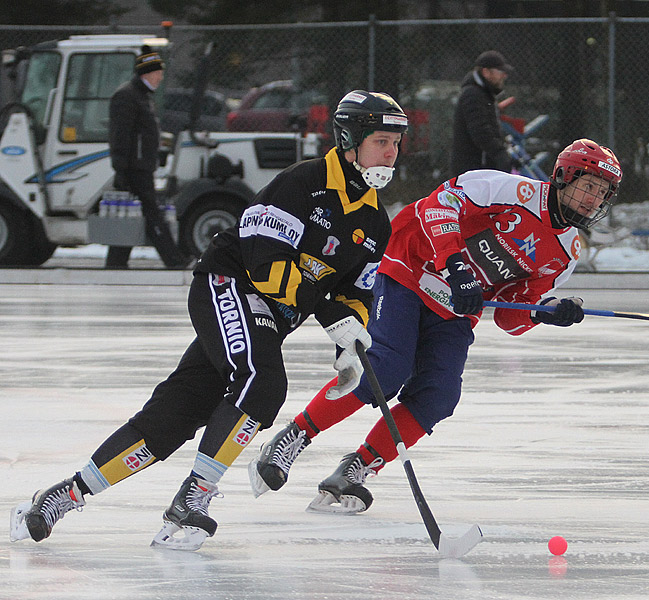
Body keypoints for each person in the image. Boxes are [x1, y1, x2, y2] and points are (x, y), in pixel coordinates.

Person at [10, 90, 409, 550]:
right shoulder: (302, 183)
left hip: (269, 318)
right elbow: (266, 266)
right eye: (382, 141)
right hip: (229, 285)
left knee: (179, 412)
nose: (391, 153)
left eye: (396, 144)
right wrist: (327, 313)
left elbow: (355, 293)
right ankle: (192, 501)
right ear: (350, 139)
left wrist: (349, 343)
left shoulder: (376, 222)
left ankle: (64, 494)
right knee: (261, 383)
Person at [249, 138, 622, 514]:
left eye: (602, 194)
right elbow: (438, 207)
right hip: (410, 268)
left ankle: (357, 467)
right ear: (563, 175)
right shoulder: (510, 189)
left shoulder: (566, 253)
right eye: (588, 186)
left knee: (438, 397)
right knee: (385, 369)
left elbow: (511, 315)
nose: (593, 200)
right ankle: (293, 437)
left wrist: (543, 313)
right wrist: (456, 266)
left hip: (455, 308)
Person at [105, 45, 190, 269]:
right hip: (134, 167)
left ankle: (116, 261)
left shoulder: (143, 97)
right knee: (152, 214)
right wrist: (120, 168)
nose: (160, 78)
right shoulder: (127, 97)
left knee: (136, 215)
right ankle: (174, 260)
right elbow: (120, 135)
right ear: (147, 73)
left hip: (143, 166)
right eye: (158, 73)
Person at [450, 50, 514, 177]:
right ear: (486, 72)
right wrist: (499, 153)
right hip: (473, 169)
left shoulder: (484, 94)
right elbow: (480, 131)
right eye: (500, 71)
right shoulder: (473, 95)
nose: (504, 76)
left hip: (480, 167)